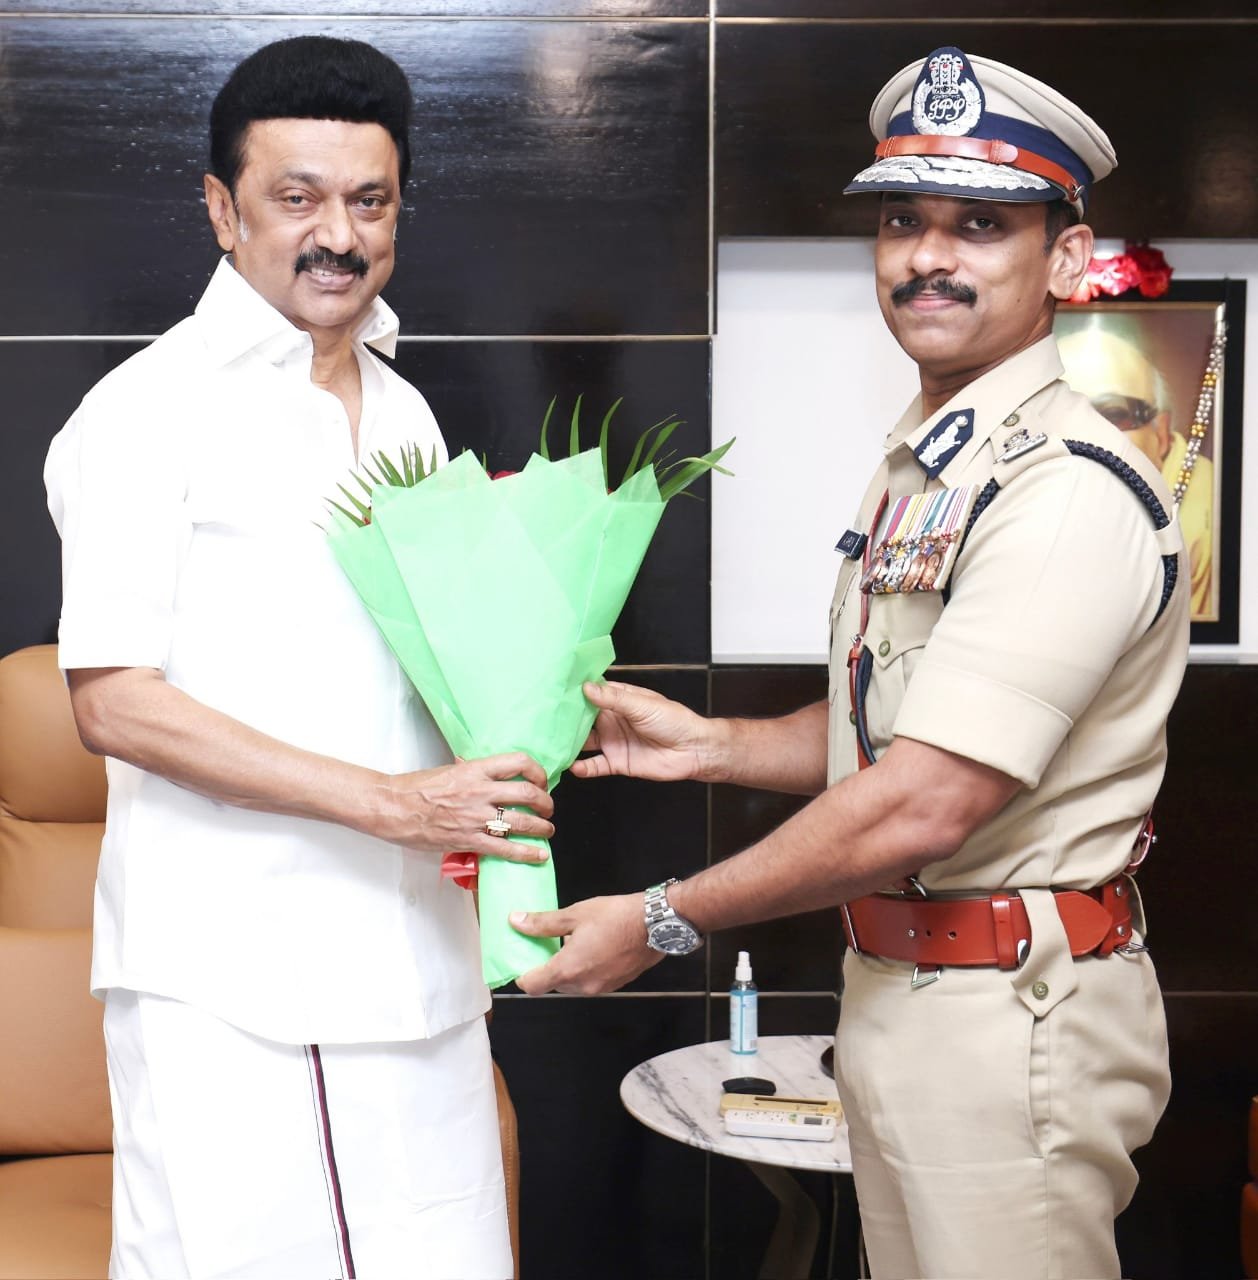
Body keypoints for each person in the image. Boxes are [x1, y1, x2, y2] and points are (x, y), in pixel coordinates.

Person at [511, 45, 1189, 1280]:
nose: (928, 255)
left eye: (980, 224)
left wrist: (662, 918)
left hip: (1009, 1015)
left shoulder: (1063, 490)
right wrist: (711, 744)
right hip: (907, 992)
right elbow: (896, 723)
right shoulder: (930, 462)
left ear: (1068, 259)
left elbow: (927, 797)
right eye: (901, 221)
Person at [44, 36, 549, 1279]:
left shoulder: (405, 409)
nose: (338, 235)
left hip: (418, 966)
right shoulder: (144, 410)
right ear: (224, 211)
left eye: (370, 202)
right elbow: (115, 702)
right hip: (232, 984)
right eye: (297, 198)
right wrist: (391, 803)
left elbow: (424, 663)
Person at [1059, 324, 1214, 617]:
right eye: (1060, 418)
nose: (1085, 438)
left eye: (1114, 414)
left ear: (1161, 434)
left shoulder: (1207, 516)